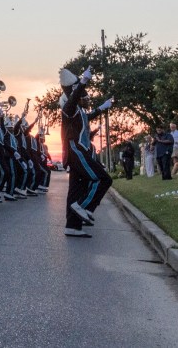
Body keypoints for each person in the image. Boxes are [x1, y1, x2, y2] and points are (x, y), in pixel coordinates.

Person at [59, 67, 113, 238]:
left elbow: (88, 116)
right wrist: (82, 82)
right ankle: (83, 207)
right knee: (103, 178)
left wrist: (102, 107)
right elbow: (72, 99)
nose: (88, 100)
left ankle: (72, 226)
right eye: (85, 98)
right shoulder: (69, 109)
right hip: (77, 152)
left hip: (79, 153)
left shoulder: (80, 112)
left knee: (76, 189)